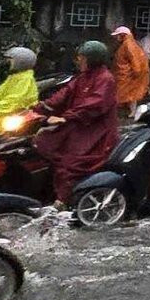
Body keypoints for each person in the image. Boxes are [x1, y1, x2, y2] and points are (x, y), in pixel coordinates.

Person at [34, 41, 120, 206]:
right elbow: (63, 95)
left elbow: (96, 103)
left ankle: (63, 201)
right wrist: (41, 107)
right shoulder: (82, 77)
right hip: (77, 126)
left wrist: (67, 117)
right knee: (42, 144)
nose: (79, 61)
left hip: (95, 133)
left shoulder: (105, 79)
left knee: (69, 163)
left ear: (93, 59)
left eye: (82, 58)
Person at [111, 26, 150, 112]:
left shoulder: (128, 45)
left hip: (129, 75)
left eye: (118, 35)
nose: (116, 37)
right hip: (124, 74)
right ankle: (129, 111)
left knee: (130, 94)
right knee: (128, 94)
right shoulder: (126, 44)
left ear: (123, 35)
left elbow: (135, 60)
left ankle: (131, 112)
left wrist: (136, 73)